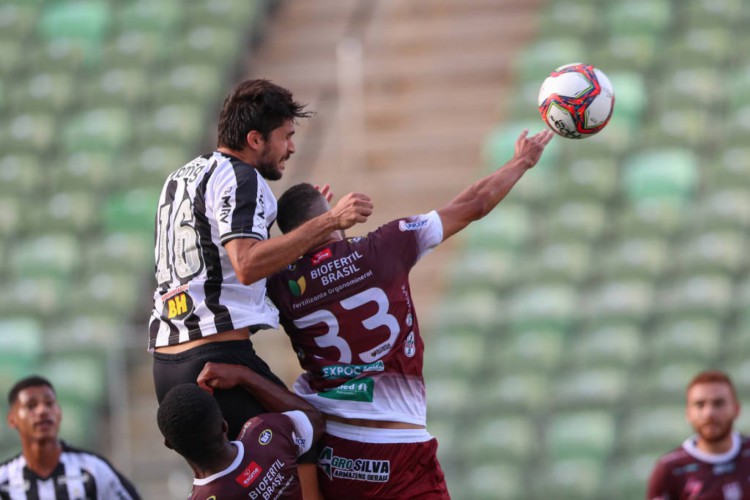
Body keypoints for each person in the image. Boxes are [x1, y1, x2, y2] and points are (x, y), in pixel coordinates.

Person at [265, 129, 554, 499]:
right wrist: (521, 161)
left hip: (335, 452)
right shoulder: (385, 245)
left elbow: (290, 254)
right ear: (331, 217)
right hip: (398, 447)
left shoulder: (279, 283)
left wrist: (309, 229)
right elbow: (475, 204)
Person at [148, 78, 373, 441]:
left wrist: (306, 230)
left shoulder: (180, 177)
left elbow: (219, 262)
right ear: (255, 139)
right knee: (307, 432)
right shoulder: (243, 178)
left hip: (166, 365)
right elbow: (247, 264)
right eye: (285, 136)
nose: (292, 147)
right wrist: (328, 222)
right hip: (217, 355)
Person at [157, 362, 325, 499]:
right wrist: (243, 375)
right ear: (224, 425)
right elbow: (315, 420)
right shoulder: (266, 430)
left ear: (170, 444)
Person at [0, 375, 140, 500]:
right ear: (12, 419)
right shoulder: (3, 480)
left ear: (59, 412)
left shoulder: (94, 470)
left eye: (49, 403)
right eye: (31, 406)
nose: (42, 411)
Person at [646, 370, 750, 500]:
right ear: (688, 413)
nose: (709, 413)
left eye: (718, 403)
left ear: (736, 409)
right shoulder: (670, 470)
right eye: (700, 405)